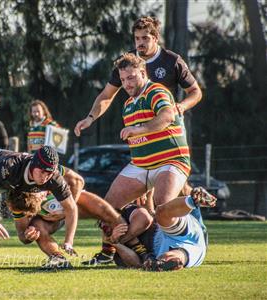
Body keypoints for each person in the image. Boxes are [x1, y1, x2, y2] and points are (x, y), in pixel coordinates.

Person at [75, 53, 191, 262]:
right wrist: (89, 118)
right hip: (141, 165)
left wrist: (140, 128)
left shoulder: (156, 91)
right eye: (123, 79)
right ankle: (108, 251)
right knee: (108, 206)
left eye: (131, 78)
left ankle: (179, 244)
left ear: (143, 73)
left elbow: (167, 116)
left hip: (171, 160)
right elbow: (105, 98)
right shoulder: (128, 104)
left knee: (162, 204)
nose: (126, 84)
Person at [10, 189, 151, 270]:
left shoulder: (55, 176)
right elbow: (22, 236)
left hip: (74, 203)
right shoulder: (19, 200)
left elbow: (78, 180)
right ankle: (58, 258)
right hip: (50, 221)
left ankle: (139, 254)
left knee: (109, 214)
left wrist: (68, 209)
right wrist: (29, 236)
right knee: (36, 227)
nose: (41, 196)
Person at [108, 187, 216, 271]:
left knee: (161, 213)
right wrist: (114, 242)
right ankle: (167, 263)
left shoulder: (133, 217)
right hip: (174, 247)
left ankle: (193, 199)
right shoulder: (121, 247)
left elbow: (148, 215)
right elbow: (136, 263)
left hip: (174, 231)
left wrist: (150, 191)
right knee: (168, 256)